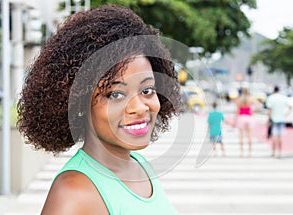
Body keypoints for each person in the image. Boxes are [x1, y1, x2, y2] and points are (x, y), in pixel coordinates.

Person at [17, 5, 181, 214]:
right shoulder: (74, 193)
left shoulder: (141, 166)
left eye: (147, 90)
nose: (139, 107)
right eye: (115, 95)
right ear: (78, 103)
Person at [234, 87, 261, 157]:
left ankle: (242, 153)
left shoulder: (239, 100)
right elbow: (259, 105)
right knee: (249, 136)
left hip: (241, 117)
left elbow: (237, 111)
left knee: (241, 136)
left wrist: (235, 121)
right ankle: (249, 153)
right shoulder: (250, 99)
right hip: (249, 117)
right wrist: (254, 111)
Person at [266, 86, 292, 158]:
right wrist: (286, 114)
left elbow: (270, 110)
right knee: (280, 137)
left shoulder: (271, 98)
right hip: (281, 119)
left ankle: (273, 152)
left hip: (274, 119)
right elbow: (290, 107)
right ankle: (280, 152)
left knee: (274, 137)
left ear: (274, 90)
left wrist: (268, 120)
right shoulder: (283, 97)